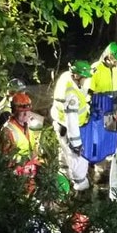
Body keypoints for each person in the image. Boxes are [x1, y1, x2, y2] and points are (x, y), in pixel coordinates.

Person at [51, 60, 92, 191]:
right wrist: (77, 144)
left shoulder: (66, 77)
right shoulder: (71, 97)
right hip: (70, 130)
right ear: (77, 76)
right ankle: (81, 191)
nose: (86, 80)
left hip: (60, 125)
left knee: (64, 162)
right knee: (78, 162)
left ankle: (63, 188)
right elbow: (72, 121)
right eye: (85, 77)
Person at [0, 92, 40, 193]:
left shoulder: (29, 128)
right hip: (17, 177)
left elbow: (34, 150)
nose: (26, 114)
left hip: (29, 173)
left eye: (27, 111)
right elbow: (5, 161)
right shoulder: (8, 131)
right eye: (22, 112)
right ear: (14, 112)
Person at [89, 42, 117, 116]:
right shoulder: (95, 68)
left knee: (110, 127)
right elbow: (89, 91)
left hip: (113, 108)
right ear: (109, 56)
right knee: (97, 126)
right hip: (98, 108)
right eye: (116, 60)